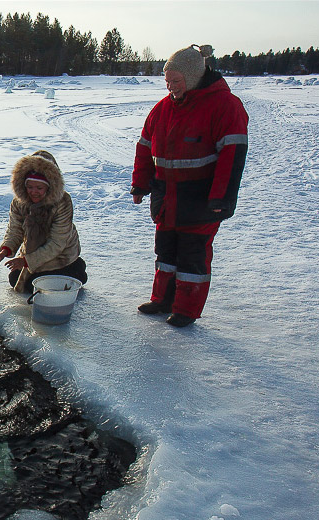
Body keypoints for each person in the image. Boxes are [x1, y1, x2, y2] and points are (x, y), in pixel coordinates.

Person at [130, 44, 248, 328]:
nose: (170, 87)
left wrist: (221, 198)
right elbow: (145, 148)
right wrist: (139, 184)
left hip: (200, 198)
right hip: (166, 197)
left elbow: (232, 157)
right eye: (167, 81)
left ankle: (186, 309)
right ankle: (162, 300)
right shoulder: (161, 109)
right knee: (166, 251)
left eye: (176, 81)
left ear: (194, 77)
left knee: (192, 255)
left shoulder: (225, 106)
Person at [0, 150, 87, 294]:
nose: (33, 192)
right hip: (32, 254)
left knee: (45, 286)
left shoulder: (63, 202)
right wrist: (5, 251)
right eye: (30, 187)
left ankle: (76, 267)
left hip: (61, 255)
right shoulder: (19, 203)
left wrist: (25, 261)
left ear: (50, 187)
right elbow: (15, 230)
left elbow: (57, 243)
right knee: (15, 279)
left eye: (39, 188)